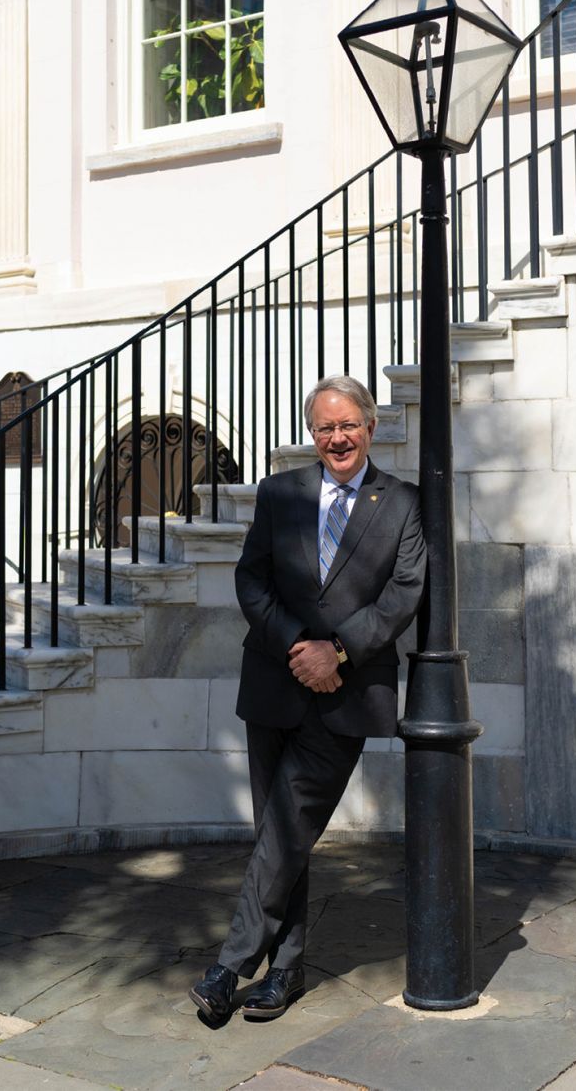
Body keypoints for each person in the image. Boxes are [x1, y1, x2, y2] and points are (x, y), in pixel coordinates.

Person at [189, 374, 427, 1024]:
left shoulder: (403, 502)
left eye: (348, 424)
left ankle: (229, 966)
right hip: (273, 683)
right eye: (325, 427)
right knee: (280, 836)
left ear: (371, 427)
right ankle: (284, 971)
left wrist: (337, 653)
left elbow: (403, 595)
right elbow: (251, 579)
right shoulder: (279, 493)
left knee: (288, 826)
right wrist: (299, 645)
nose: (338, 437)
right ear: (312, 434)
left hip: (347, 696)